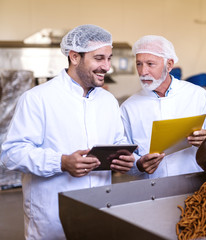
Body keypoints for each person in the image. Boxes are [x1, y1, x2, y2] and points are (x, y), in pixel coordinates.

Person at [0, 24, 135, 240]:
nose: (107, 66)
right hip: (51, 217)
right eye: (99, 58)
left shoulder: (107, 101)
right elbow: (11, 154)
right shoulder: (38, 98)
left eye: (109, 58)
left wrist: (128, 160)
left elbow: (117, 141)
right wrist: (61, 162)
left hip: (99, 212)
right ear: (74, 57)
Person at [120, 35, 206, 179]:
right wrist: (139, 165)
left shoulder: (197, 95)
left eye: (150, 64)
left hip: (195, 184)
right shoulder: (128, 108)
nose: (143, 72)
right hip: (151, 188)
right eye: (139, 64)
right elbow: (124, 156)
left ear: (169, 65)